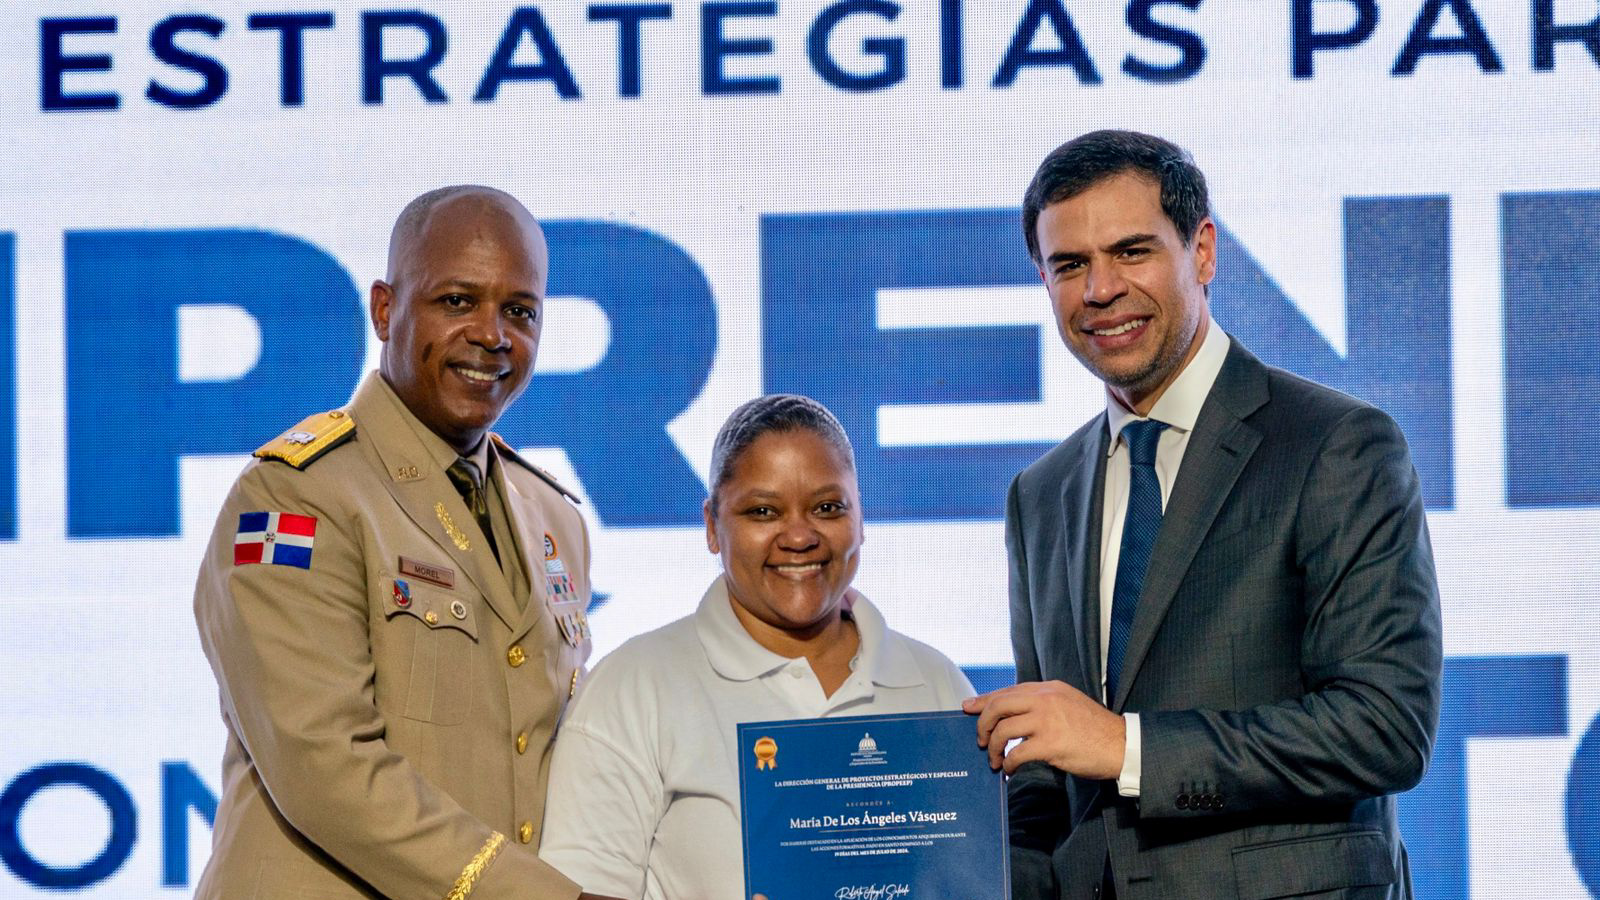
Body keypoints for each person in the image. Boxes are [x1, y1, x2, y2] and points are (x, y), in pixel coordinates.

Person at [963, 131, 1443, 899]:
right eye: (1070, 265)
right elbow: (1049, 788)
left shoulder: (1335, 445)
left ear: (1204, 250)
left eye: (1132, 251)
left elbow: (1384, 727)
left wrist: (1127, 747)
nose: (1101, 290)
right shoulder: (1041, 495)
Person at [193, 186, 621, 900]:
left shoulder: (556, 518)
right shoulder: (296, 497)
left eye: (520, 310)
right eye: (457, 301)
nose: (492, 334)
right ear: (386, 309)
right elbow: (326, 768)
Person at [537, 394, 974, 900]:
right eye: (763, 511)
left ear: (861, 518)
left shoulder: (939, 686)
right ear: (712, 527)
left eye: (827, 507)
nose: (798, 536)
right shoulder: (633, 688)